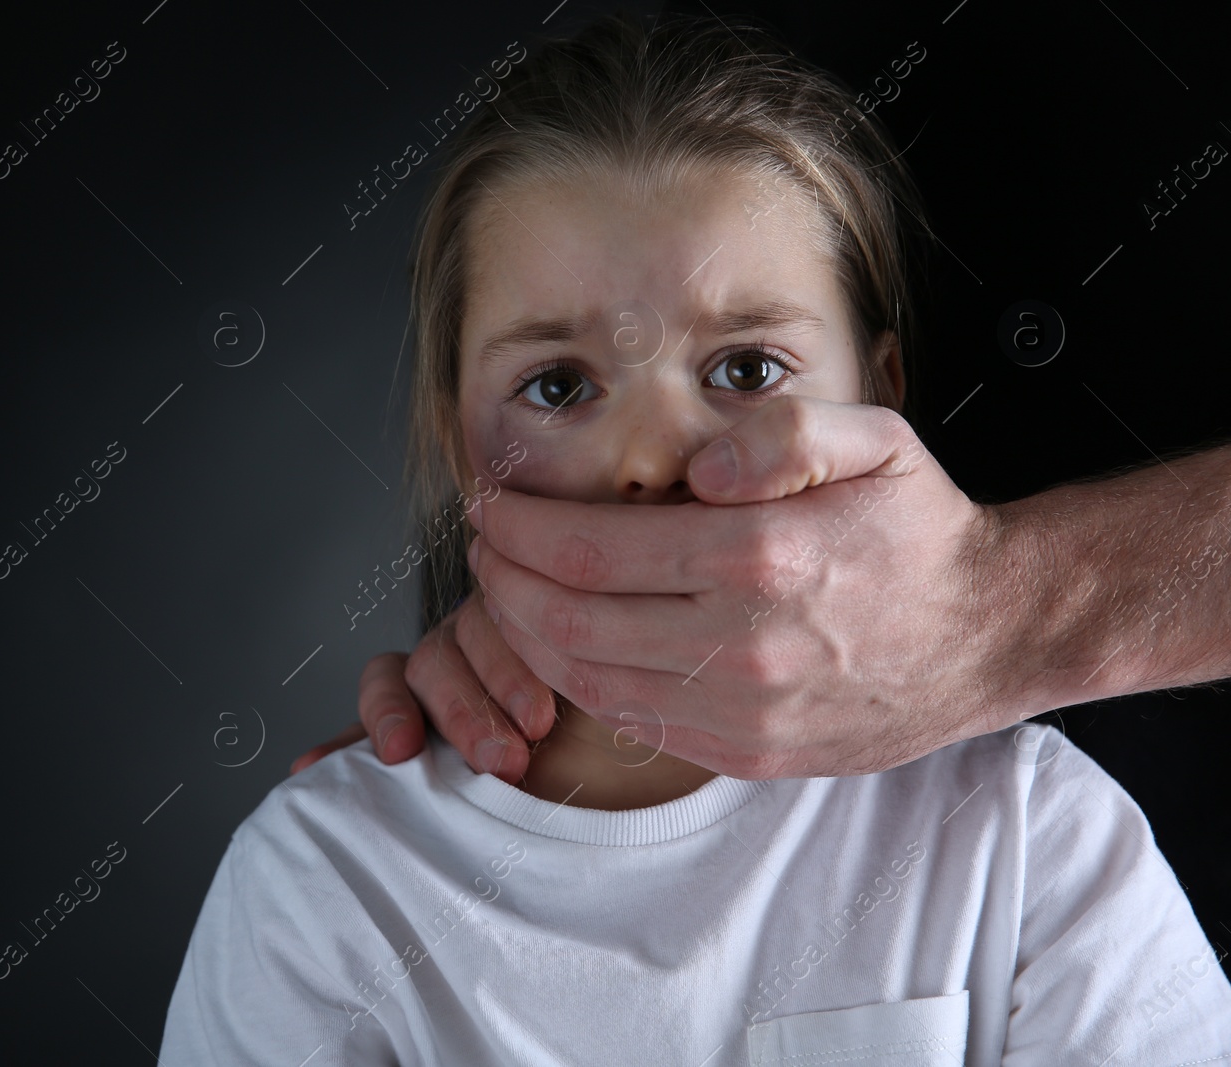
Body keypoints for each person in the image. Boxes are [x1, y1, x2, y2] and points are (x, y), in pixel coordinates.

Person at [161, 12, 1231, 1063]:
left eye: (748, 369)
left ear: (879, 400)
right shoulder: (321, 883)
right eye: (558, 384)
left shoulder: (1021, 828)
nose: (650, 458)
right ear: (456, 440)